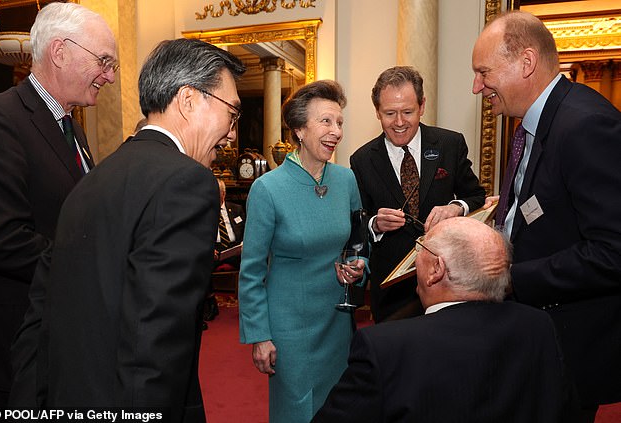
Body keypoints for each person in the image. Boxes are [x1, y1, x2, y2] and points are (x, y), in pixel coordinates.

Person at [11, 38, 245, 421]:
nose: (232, 133)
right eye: (231, 114)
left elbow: (41, 316)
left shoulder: (93, 179)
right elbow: (155, 342)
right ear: (188, 100)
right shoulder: (187, 182)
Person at [472, 11, 621, 421]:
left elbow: (613, 252)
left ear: (526, 62)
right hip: (537, 337)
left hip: (568, 349)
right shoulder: (538, 123)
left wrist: (511, 278)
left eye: (483, 72)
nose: (476, 87)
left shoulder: (586, 125)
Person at [313, 217, 579, 423]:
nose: (415, 258)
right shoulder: (538, 325)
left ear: (436, 270)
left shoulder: (384, 347)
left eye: (420, 247)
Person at [0, 2, 117, 406]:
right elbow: (1, 237)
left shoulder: (72, 127)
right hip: (14, 345)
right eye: (104, 61)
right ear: (59, 52)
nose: (109, 76)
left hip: (59, 335)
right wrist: (93, 266)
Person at [238, 80, 366, 423]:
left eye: (339, 122)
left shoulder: (346, 180)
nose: (336, 131)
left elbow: (356, 239)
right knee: (298, 411)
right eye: (326, 121)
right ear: (299, 129)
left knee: (338, 407)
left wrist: (357, 263)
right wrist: (259, 335)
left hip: (337, 321)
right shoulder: (267, 189)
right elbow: (251, 271)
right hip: (290, 327)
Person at [350, 66, 486, 323]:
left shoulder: (450, 144)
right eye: (390, 113)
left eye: (408, 112)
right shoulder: (362, 159)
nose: (399, 122)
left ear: (422, 106)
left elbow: (477, 196)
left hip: (448, 281)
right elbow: (357, 220)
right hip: (391, 291)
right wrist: (375, 224)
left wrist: (456, 207)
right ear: (377, 112)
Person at [203, 178, 246, 325]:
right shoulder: (204, 212)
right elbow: (200, 235)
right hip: (215, 250)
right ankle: (210, 302)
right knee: (201, 265)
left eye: (217, 193)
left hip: (236, 249)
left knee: (255, 262)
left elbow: (247, 231)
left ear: (223, 194)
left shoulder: (236, 209)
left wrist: (244, 245)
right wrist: (209, 249)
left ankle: (250, 304)